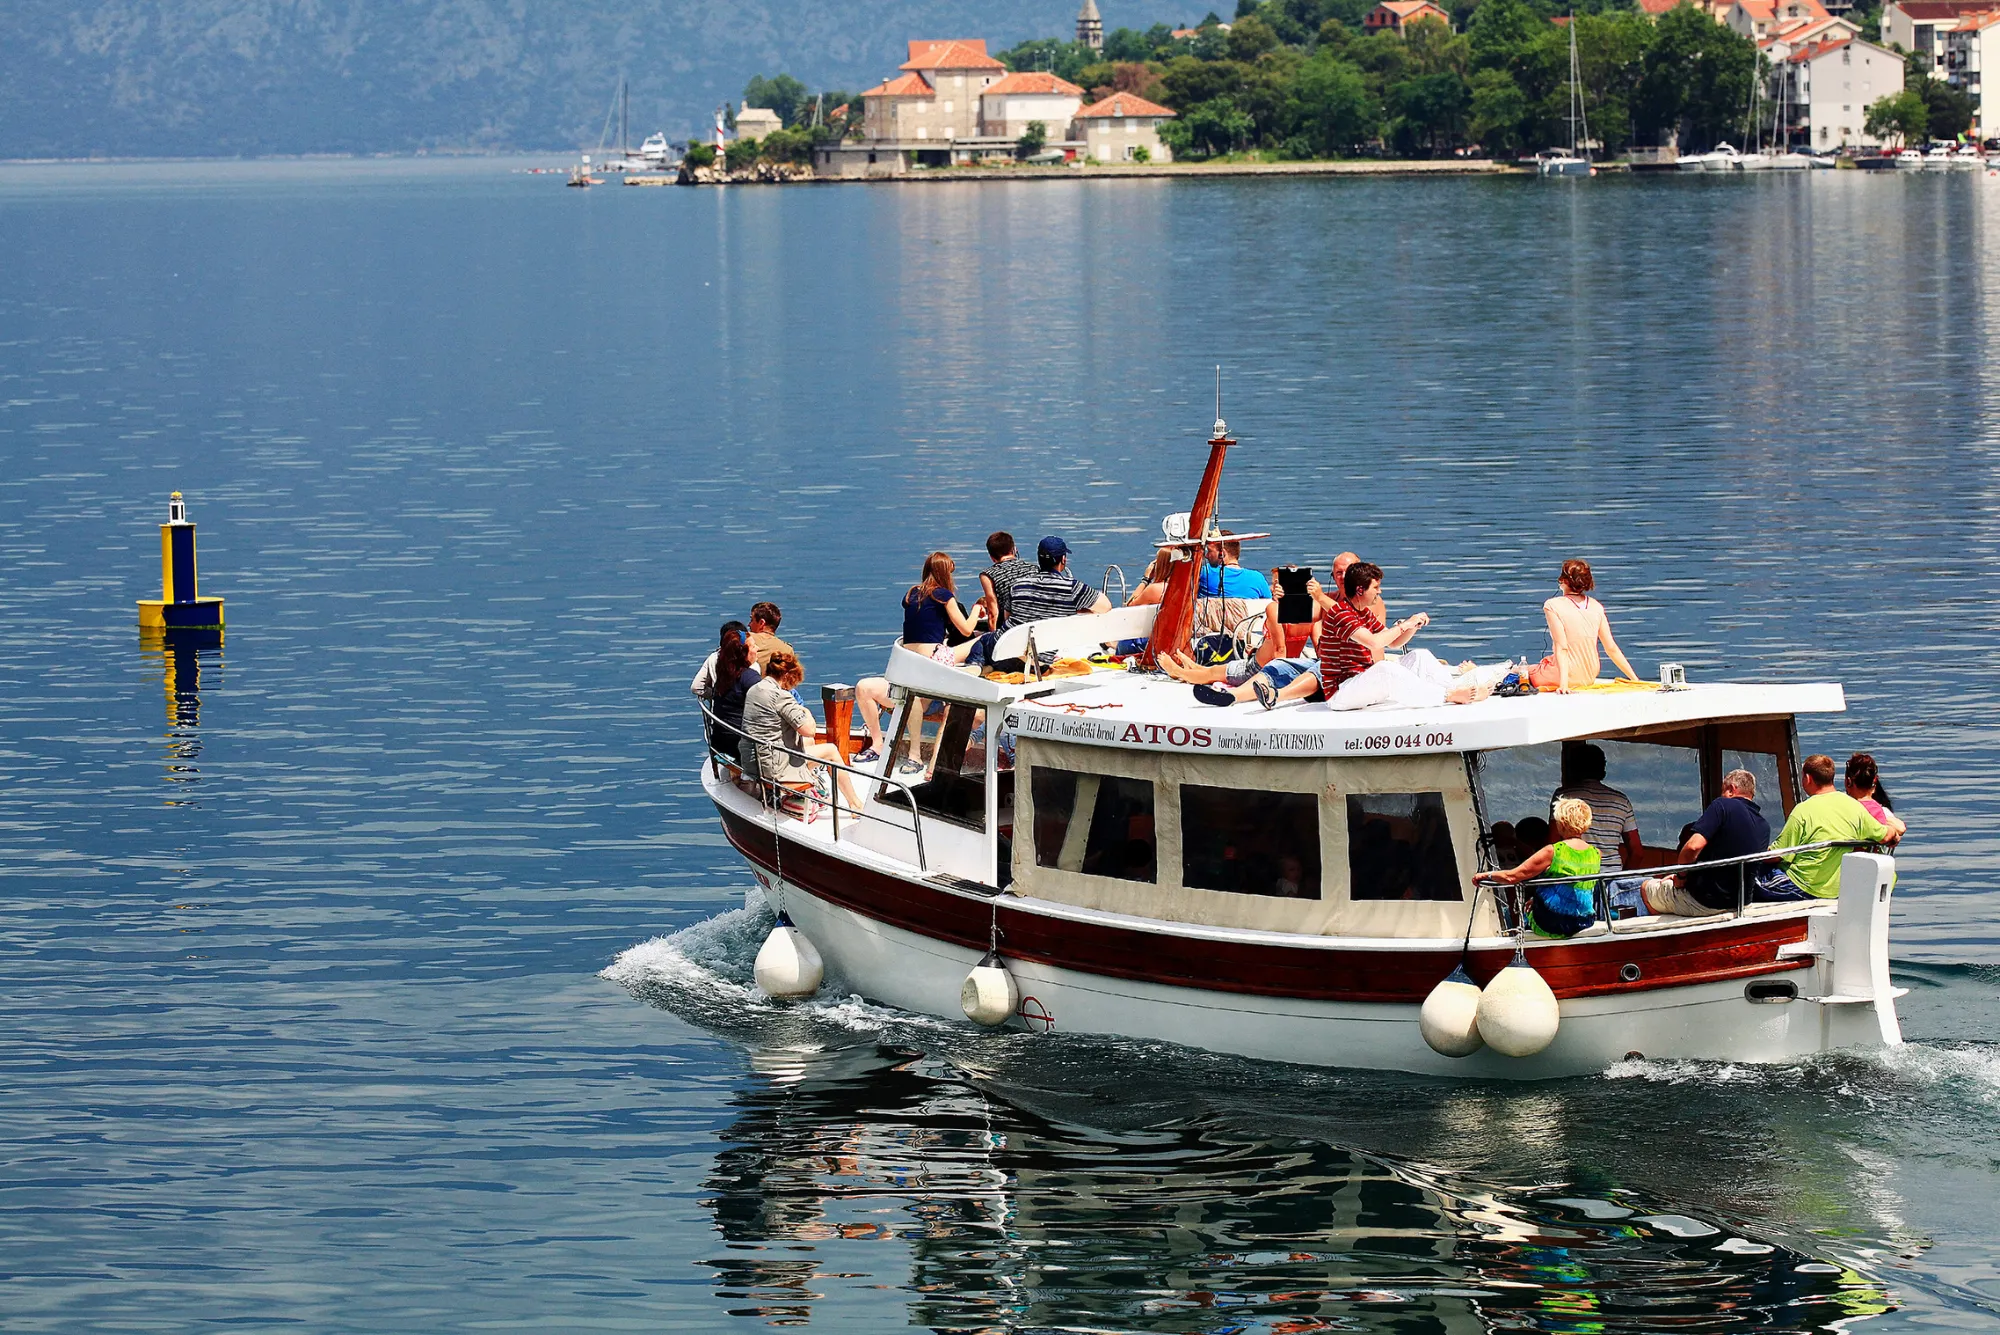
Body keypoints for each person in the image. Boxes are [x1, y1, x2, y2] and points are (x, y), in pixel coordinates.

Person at [853, 552, 982, 762]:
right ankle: (913, 755)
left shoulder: (911, 594)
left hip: (909, 672)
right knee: (980, 640)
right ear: (945, 574)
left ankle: (877, 744)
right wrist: (978, 609)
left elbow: (925, 623)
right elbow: (967, 629)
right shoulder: (944, 596)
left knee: (863, 688)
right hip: (932, 668)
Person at [1318, 562, 1492, 711]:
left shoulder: (1363, 613)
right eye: (1376, 587)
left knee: (1420, 655)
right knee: (1384, 668)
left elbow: (1393, 642)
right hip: (1341, 692)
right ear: (1360, 590)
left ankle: (1458, 690)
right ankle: (1448, 696)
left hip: (1362, 684)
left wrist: (1412, 626)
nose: (1379, 592)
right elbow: (1374, 642)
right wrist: (1404, 625)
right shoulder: (1340, 613)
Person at [1638, 769, 1787, 915]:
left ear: (1730, 789)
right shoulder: (1764, 825)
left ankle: (1672, 935)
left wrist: (1681, 877)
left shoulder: (1722, 805)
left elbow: (1692, 847)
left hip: (1706, 902)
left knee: (1646, 888)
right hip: (1742, 902)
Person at [744, 649, 861, 813]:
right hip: (772, 766)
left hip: (752, 760)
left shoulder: (754, 690)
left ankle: (810, 785)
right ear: (786, 677)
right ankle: (855, 803)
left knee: (807, 744)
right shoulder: (780, 696)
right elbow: (809, 730)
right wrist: (806, 713)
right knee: (831, 751)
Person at [1770, 753, 1892, 899]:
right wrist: (1894, 829)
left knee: (1751, 875)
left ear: (1808, 779)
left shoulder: (1802, 811)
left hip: (1801, 885)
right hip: (1837, 889)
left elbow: (1777, 855)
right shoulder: (1855, 807)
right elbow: (1886, 835)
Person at [1477, 797, 1600, 938]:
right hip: (1583, 921)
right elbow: (1571, 887)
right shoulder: (1596, 853)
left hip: (1552, 923)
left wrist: (1485, 876)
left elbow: (1512, 877)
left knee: (1516, 911)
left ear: (1561, 823)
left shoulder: (1553, 851)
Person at [1535, 559, 1641, 694]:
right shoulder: (1596, 606)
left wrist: (1564, 685)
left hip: (1567, 676)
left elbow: (1562, 646)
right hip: (1590, 675)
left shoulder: (1552, 605)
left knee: (1523, 673)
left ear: (1564, 581)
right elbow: (1611, 648)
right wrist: (1635, 679)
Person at [1552, 742, 1643, 874]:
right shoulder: (1622, 800)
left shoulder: (1564, 797)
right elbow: (1637, 853)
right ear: (1602, 768)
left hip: (1575, 878)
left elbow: (1553, 842)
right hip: (1611, 879)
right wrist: (1620, 879)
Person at [701, 621, 761, 767]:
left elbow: (697, 687)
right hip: (741, 745)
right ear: (743, 652)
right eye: (753, 646)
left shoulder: (724, 675)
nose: (757, 648)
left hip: (721, 741)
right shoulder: (750, 678)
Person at [976, 532, 1036, 628]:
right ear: (1014, 550)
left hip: (1009, 629)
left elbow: (992, 612)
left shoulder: (988, 574)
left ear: (992, 557)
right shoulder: (1034, 569)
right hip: (1035, 624)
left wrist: (993, 638)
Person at [1846, 752, 1906, 847]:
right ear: (1874, 780)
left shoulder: (1842, 808)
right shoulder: (1881, 812)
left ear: (1848, 781)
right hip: (1875, 857)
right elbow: (1901, 828)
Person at [747, 601, 794, 673]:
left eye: (752, 620)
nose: (749, 624)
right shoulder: (787, 650)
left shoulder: (744, 638)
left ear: (761, 623)